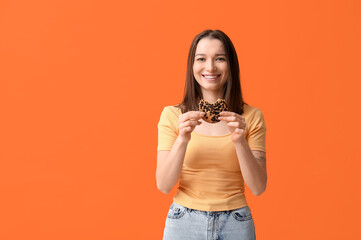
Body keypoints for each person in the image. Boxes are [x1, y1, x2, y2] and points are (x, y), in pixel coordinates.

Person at [156, 29, 267, 240]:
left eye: (220, 59)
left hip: (236, 223)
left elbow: (258, 187)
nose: (210, 67)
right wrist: (183, 138)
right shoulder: (173, 116)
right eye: (201, 59)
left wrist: (239, 140)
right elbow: (163, 185)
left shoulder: (251, 117)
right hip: (183, 223)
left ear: (230, 65)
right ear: (192, 66)